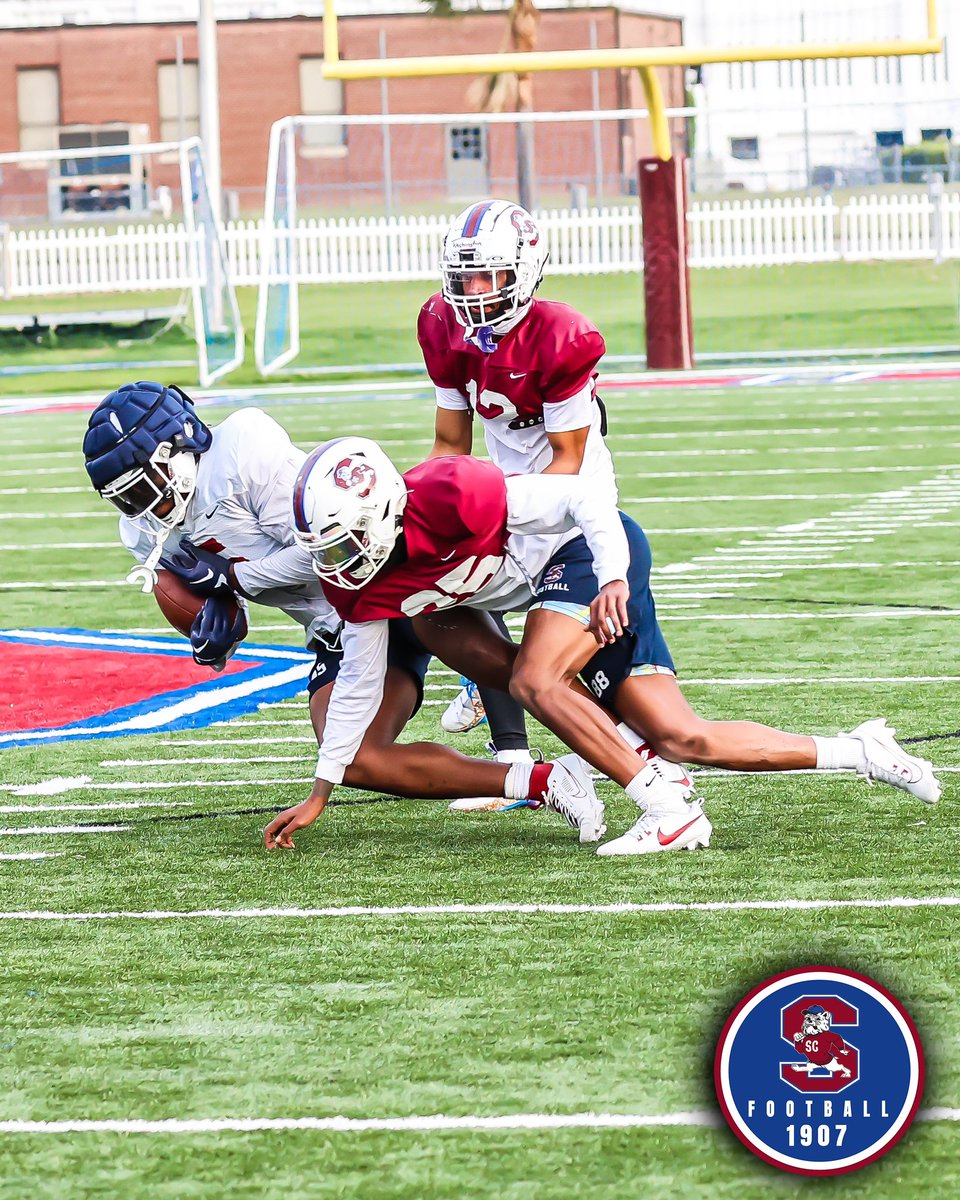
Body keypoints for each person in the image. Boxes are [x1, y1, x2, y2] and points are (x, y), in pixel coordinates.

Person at [262, 436, 941, 855]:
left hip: (588, 558)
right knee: (683, 737)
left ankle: (668, 811)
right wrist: (323, 789)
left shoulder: (449, 493)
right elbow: (358, 687)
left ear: (385, 506)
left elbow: (584, 500)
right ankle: (862, 750)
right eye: (328, 550)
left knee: (534, 679)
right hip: (546, 594)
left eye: (347, 541)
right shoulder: (357, 586)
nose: (340, 563)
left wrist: (614, 576)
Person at [80, 381, 601, 828]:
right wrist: (216, 630)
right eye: (125, 499)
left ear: (179, 447)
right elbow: (214, 604)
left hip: (389, 582)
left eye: (144, 486)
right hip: (337, 625)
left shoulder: (240, 451)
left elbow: (326, 551)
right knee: (354, 759)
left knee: (525, 674)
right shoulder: (143, 530)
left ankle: (619, 740)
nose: (142, 507)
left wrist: (237, 579)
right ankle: (545, 781)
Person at [418, 199, 693, 809]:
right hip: (507, 495)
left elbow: (567, 461)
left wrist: (499, 514)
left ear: (525, 272)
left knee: (577, 685)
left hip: (568, 508)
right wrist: (436, 507)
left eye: (489, 275)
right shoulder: (440, 323)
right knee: (436, 582)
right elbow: (450, 444)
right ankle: (513, 752)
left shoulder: (562, 336)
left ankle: (637, 761)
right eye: (465, 276)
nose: (474, 291)